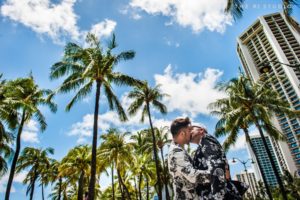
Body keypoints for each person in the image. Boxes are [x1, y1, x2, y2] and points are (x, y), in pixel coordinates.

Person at [190, 126, 248, 200]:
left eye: (192, 129)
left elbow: (216, 165)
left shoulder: (205, 139)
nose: (189, 132)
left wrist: (218, 196)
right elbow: (225, 166)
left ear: (201, 130)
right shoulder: (202, 145)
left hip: (217, 193)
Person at [168, 117, 211, 200]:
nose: (191, 133)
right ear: (182, 134)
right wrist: (217, 174)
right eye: (189, 131)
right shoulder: (176, 152)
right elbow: (193, 176)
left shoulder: (179, 150)